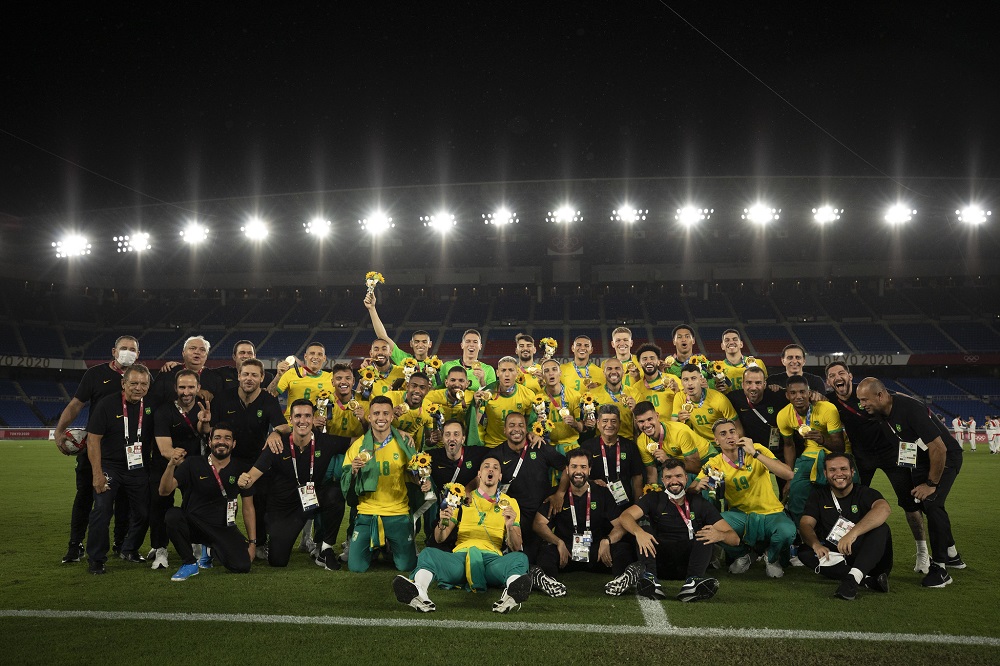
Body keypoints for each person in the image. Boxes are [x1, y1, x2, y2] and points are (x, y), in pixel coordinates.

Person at [856, 378, 964, 588]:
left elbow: (939, 448)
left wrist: (931, 484)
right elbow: (906, 444)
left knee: (932, 502)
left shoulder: (910, 409)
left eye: (865, 400)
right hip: (921, 461)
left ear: (880, 395)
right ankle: (952, 554)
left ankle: (941, 569)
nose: (862, 405)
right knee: (922, 503)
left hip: (946, 457)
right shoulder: (881, 413)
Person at [391, 455, 531, 614]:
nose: (490, 469)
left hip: (492, 562)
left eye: (495, 467)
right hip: (460, 560)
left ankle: (510, 596)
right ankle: (420, 592)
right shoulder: (461, 498)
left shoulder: (510, 502)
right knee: (428, 553)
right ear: (479, 473)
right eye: (486, 466)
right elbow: (440, 538)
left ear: (500, 476)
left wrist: (510, 525)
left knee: (520, 558)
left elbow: (516, 546)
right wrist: (442, 521)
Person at [825, 361, 929, 574]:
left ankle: (922, 552)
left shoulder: (867, 392)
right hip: (861, 459)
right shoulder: (829, 401)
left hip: (891, 454)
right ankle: (841, 549)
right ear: (828, 381)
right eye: (832, 374)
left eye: (841, 372)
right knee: (848, 503)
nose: (838, 377)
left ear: (850, 376)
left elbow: (897, 400)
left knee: (909, 504)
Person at [53, 334, 138, 564]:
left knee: (124, 503)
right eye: (123, 348)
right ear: (114, 351)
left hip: (126, 452)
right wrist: (59, 431)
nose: (127, 352)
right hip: (95, 448)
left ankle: (120, 544)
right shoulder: (95, 374)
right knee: (84, 498)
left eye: (132, 349)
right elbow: (76, 405)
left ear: (138, 354)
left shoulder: (140, 377)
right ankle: (75, 545)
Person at [238, 399, 350, 569]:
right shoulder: (277, 444)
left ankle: (325, 550)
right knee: (278, 561)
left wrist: (392, 432)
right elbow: (252, 475)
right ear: (290, 419)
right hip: (285, 508)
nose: (302, 420)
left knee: (334, 494)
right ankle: (270, 534)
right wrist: (243, 480)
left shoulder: (325, 441)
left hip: (313, 499)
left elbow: (358, 441)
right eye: (297, 416)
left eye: (307, 416)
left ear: (313, 419)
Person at [616, 459, 739, 601]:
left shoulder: (699, 503)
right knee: (643, 527)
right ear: (662, 480)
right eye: (668, 477)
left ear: (686, 478)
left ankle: (692, 583)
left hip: (687, 566)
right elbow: (625, 516)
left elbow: (734, 539)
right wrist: (639, 533)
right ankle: (650, 579)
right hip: (657, 563)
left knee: (707, 533)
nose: (674, 481)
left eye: (678, 476)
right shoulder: (653, 498)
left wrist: (719, 535)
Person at [209, 358, 290, 560]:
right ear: (239, 375)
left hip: (256, 463)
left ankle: (260, 543)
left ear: (262, 378)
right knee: (223, 505)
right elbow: (212, 431)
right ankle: (218, 543)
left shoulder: (268, 400)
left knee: (260, 504)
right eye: (245, 374)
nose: (249, 378)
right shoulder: (222, 398)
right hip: (227, 461)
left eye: (254, 375)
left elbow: (285, 426)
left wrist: (276, 433)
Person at [693, 419, 795, 578]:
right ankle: (744, 555)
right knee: (711, 526)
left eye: (732, 431)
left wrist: (755, 453)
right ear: (716, 440)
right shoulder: (715, 463)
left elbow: (788, 474)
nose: (729, 436)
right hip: (741, 515)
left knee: (787, 532)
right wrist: (697, 487)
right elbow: (692, 488)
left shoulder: (757, 450)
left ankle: (771, 557)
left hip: (771, 512)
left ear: (738, 433)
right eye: (723, 433)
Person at [159, 423, 255, 581]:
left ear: (234, 443)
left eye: (227, 438)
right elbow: (164, 491)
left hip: (223, 528)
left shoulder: (242, 468)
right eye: (217, 438)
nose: (221, 441)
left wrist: (252, 543)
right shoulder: (192, 463)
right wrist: (171, 465)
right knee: (173, 515)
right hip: (194, 524)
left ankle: (211, 550)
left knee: (242, 566)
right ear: (209, 442)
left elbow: (248, 508)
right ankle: (189, 563)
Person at [530, 449, 633, 597]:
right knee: (546, 551)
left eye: (583, 467)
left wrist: (607, 540)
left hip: (596, 551)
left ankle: (620, 580)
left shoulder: (602, 492)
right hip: (567, 552)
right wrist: (558, 542)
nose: (578, 471)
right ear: (567, 469)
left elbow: (621, 525)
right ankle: (549, 580)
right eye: (574, 466)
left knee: (622, 548)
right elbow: (538, 524)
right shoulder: (556, 496)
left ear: (590, 469)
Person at [84, 364, 154, 574]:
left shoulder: (152, 405)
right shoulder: (106, 404)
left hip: (138, 467)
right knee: (103, 509)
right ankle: (96, 558)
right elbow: (93, 441)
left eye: (143, 384)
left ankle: (129, 549)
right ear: (123, 384)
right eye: (133, 383)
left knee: (143, 512)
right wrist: (97, 474)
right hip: (110, 466)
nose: (138, 388)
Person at [798, 453, 893, 600]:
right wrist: (816, 545)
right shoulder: (818, 495)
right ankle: (866, 580)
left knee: (882, 528)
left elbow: (884, 508)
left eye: (843, 469)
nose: (838, 474)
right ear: (825, 473)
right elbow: (805, 524)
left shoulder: (864, 492)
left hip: (871, 559)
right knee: (805, 551)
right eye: (832, 470)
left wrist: (852, 534)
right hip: (839, 556)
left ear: (852, 472)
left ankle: (852, 580)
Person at [341, 396, 419, 573]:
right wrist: (353, 470)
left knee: (406, 566)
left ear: (392, 417)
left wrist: (421, 480)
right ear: (369, 417)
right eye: (376, 413)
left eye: (385, 413)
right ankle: (378, 547)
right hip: (367, 512)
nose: (380, 417)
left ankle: (386, 546)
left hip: (397, 512)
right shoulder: (358, 446)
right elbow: (344, 481)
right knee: (356, 567)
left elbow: (416, 473)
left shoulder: (405, 443)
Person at [149, 369, 209, 570]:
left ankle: (196, 545)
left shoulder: (204, 409)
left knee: (195, 506)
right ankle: (160, 549)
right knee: (160, 505)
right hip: (168, 466)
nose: (186, 391)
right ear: (175, 388)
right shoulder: (164, 411)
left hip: (194, 467)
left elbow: (206, 435)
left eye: (191, 387)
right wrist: (178, 459)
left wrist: (204, 422)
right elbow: (165, 449)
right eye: (182, 387)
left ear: (198, 388)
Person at [494, 411, 567, 561]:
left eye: (521, 425)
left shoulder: (539, 446)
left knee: (539, 557)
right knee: (523, 557)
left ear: (526, 429)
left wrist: (560, 493)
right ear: (504, 429)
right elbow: (482, 475)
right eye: (512, 425)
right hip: (516, 516)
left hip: (542, 515)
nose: (516, 429)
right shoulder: (497, 454)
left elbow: (567, 468)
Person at [777, 375, 845, 524]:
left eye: (802, 392)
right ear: (787, 395)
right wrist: (790, 476)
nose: (798, 396)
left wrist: (822, 439)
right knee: (796, 492)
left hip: (834, 456)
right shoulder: (783, 415)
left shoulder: (827, 408)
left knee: (842, 494)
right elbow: (789, 445)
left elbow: (840, 447)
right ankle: (802, 534)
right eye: (793, 393)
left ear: (809, 393)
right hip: (808, 457)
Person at [578, 404, 644, 506]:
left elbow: (637, 478)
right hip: (596, 502)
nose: (609, 425)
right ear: (598, 423)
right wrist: (592, 482)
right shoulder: (587, 446)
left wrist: (638, 506)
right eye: (605, 421)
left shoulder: (630, 446)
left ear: (619, 424)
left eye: (613, 421)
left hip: (624, 503)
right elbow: (579, 475)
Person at [634, 400, 712, 480]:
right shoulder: (641, 441)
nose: (646, 425)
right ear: (636, 422)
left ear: (657, 416)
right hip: (679, 464)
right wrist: (653, 490)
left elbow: (696, 467)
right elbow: (652, 475)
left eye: (650, 419)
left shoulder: (679, 431)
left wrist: (668, 460)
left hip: (705, 457)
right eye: (641, 421)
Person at [475, 356, 538, 448]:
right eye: (503, 370)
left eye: (511, 370)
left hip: (518, 445)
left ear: (517, 373)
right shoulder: (487, 393)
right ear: (497, 373)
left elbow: (530, 425)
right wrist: (476, 405)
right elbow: (476, 421)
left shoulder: (528, 395)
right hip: (492, 445)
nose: (507, 374)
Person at [149, 335, 224, 409]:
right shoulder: (167, 372)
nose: (197, 352)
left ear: (206, 356)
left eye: (202, 350)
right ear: (183, 353)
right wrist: (194, 392)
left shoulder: (216, 378)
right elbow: (154, 399)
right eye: (192, 348)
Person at [364, 292, 433, 370]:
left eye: (424, 342)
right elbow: (382, 336)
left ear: (430, 344)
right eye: (416, 342)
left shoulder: (437, 365)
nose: (420, 345)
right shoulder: (404, 359)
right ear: (411, 343)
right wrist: (372, 308)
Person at [726, 366, 785, 457]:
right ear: (743, 384)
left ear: (765, 385)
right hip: (750, 454)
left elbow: (797, 395)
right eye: (749, 382)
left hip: (776, 454)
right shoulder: (734, 398)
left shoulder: (777, 396)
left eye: (758, 383)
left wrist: (813, 394)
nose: (753, 387)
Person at [672, 363, 737, 442]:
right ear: (681, 382)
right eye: (686, 379)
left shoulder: (718, 398)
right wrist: (679, 420)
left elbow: (738, 429)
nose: (690, 383)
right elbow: (673, 425)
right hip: (700, 445)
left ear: (700, 379)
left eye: (693, 378)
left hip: (721, 444)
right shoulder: (680, 397)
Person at [534, 358, 586, 453]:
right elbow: (531, 428)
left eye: (554, 369)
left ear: (560, 373)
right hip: (548, 447)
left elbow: (582, 428)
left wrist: (574, 423)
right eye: (546, 371)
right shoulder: (538, 398)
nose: (551, 373)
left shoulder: (575, 396)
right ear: (542, 375)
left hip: (571, 446)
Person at [273, 341, 332, 421]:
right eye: (312, 353)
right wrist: (278, 376)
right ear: (305, 356)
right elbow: (272, 394)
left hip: (317, 426)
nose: (315, 357)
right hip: (292, 426)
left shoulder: (331, 378)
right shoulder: (291, 373)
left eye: (320, 354)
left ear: (324, 358)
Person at [626, 343, 680, 424]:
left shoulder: (672, 379)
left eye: (652, 358)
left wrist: (677, 391)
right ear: (640, 364)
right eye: (644, 359)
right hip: (649, 430)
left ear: (658, 362)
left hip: (672, 429)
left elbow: (685, 402)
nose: (648, 361)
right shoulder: (636, 387)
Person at [592, 358, 636, 439]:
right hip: (601, 441)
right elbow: (589, 426)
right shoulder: (592, 395)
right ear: (604, 373)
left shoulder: (634, 393)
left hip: (627, 441)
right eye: (609, 369)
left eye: (617, 368)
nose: (613, 372)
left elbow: (639, 426)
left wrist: (635, 411)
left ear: (623, 372)